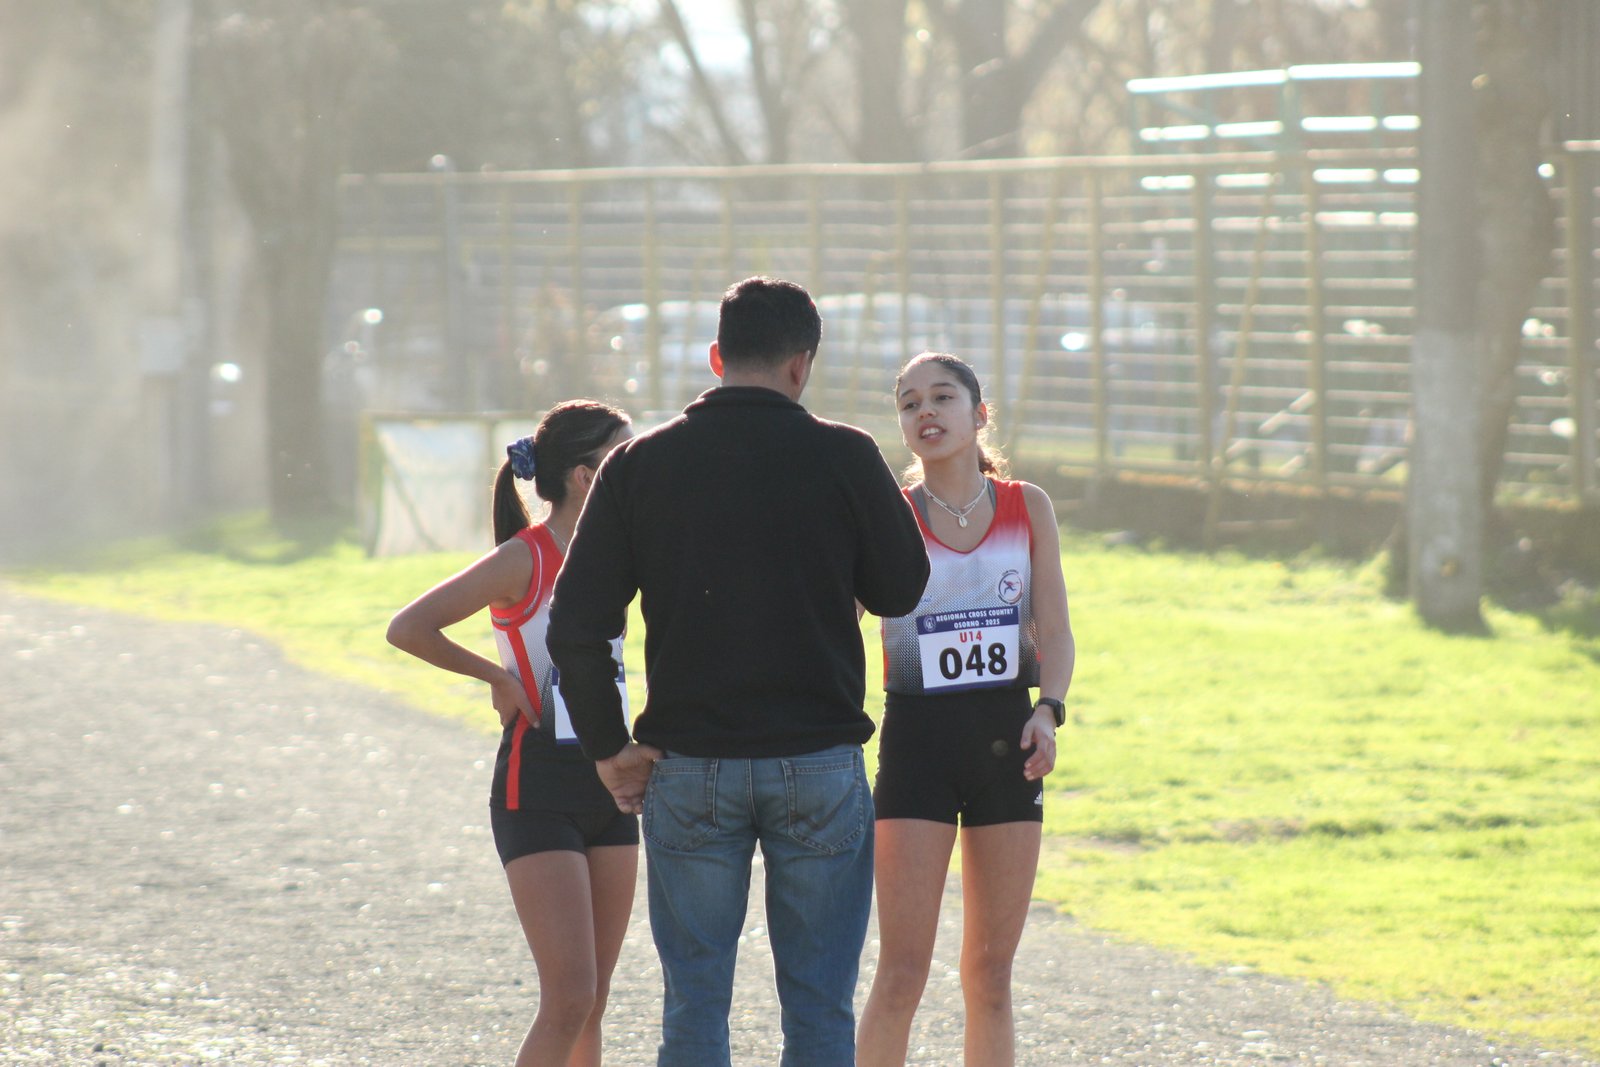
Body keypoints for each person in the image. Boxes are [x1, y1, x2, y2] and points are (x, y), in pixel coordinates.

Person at [545, 276, 930, 1067]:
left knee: (694, 1003)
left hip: (689, 764)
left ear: (716, 356)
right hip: (820, 759)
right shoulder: (848, 454)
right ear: (802, 364)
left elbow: (576, 625)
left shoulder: (638, 464)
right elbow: (902, 587)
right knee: (820, 1006)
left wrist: (609, 747)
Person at [386, 400, 637, 1067]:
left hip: (612, 783)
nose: (638, 467)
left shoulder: (621, 553)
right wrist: (495, 679)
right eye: (626, 453)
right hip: (539, 786)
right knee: (569, 997)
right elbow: (408, 626)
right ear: (587, 476)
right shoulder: (524, 558)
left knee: (595, 998)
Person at [856, 352, 1075, 1067]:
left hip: (1007, 742)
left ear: (979, 414)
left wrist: (1049, 711)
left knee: (990, 975)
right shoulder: (889, 514)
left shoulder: (1026, 505)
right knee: (901, 973)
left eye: (942, 397)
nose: (925, 412)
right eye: (909, 401)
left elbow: (1057, 631)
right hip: (917, 745)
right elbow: (834, 618)